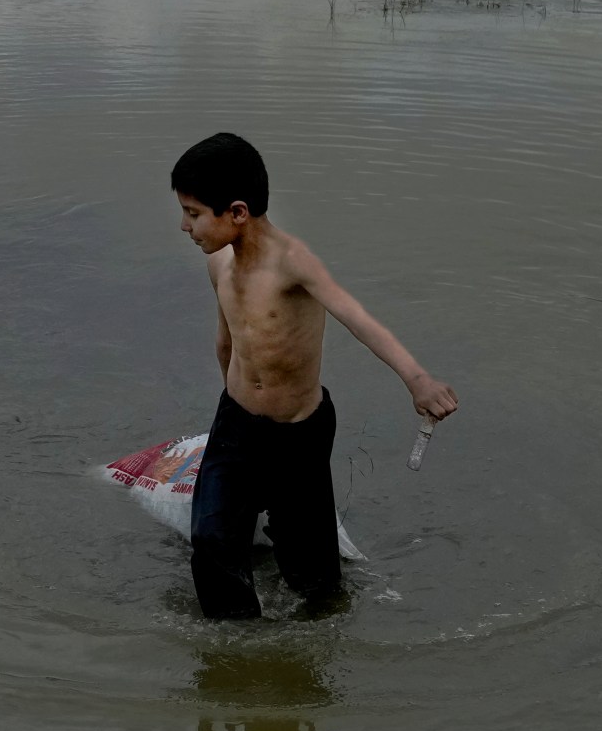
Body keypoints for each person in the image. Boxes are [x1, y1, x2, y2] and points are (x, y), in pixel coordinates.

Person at [170, 132, 459, 620]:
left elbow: (358, 318)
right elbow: (227, 339)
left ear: (237, 212)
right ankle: (239, 647)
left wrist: (418, 380)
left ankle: (318, 625)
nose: (184, 226)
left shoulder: (293, 263)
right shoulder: (219, 264)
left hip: (298, 433)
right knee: (212, 538)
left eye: (194, 213)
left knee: (313, 573)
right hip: (237, 424)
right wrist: (232, 409)